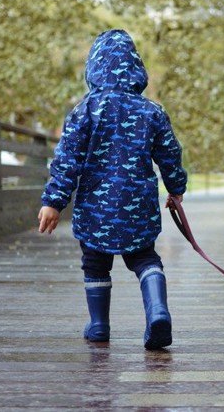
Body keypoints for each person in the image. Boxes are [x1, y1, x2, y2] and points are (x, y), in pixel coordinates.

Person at [37, 29, 187, 350]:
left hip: (95, 210)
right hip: (139, 206)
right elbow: (170, 155)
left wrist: (53, 201)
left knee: (95, 264)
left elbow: (67, 161)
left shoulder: (84, 111)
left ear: (94, 67)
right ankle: (158, 311)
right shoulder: (153, 112)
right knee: (145, 259)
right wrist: (176, 189)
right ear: (136, 67)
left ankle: (99, 326)